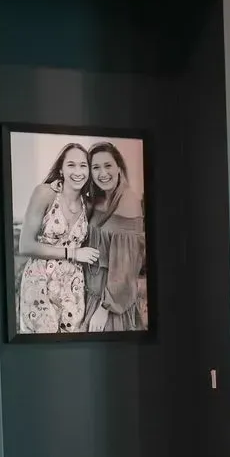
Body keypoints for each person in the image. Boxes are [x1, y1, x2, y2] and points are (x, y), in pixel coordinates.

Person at [14, 144, 100, 333]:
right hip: (40, 282)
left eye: (83, 165)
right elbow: (25, 245)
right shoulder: (45, 193)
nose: (78, 172)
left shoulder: (89, 204)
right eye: (71, 165)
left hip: (73, 288)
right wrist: (73, 253)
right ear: (61, 169)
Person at [82, 142, 148, 332]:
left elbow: (126, 269)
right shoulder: (99, 200)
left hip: (110, 305)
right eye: (96, 167)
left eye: (108, 165)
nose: (103, 173)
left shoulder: (128, 202)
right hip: (91, 296)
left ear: (119, 167)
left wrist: (105, 308)